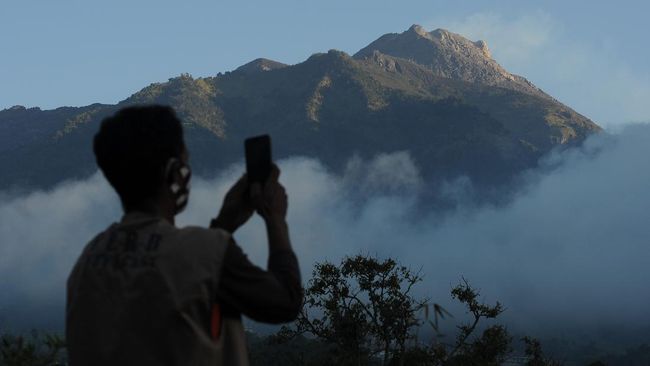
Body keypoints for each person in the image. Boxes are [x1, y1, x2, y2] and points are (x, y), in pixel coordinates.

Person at [66, 105, 302, 365]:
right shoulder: (205, 252)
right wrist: (275, 219)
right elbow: (285, 301)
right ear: (173, 172)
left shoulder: (88, 260)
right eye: (185, 162)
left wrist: (223, 224)